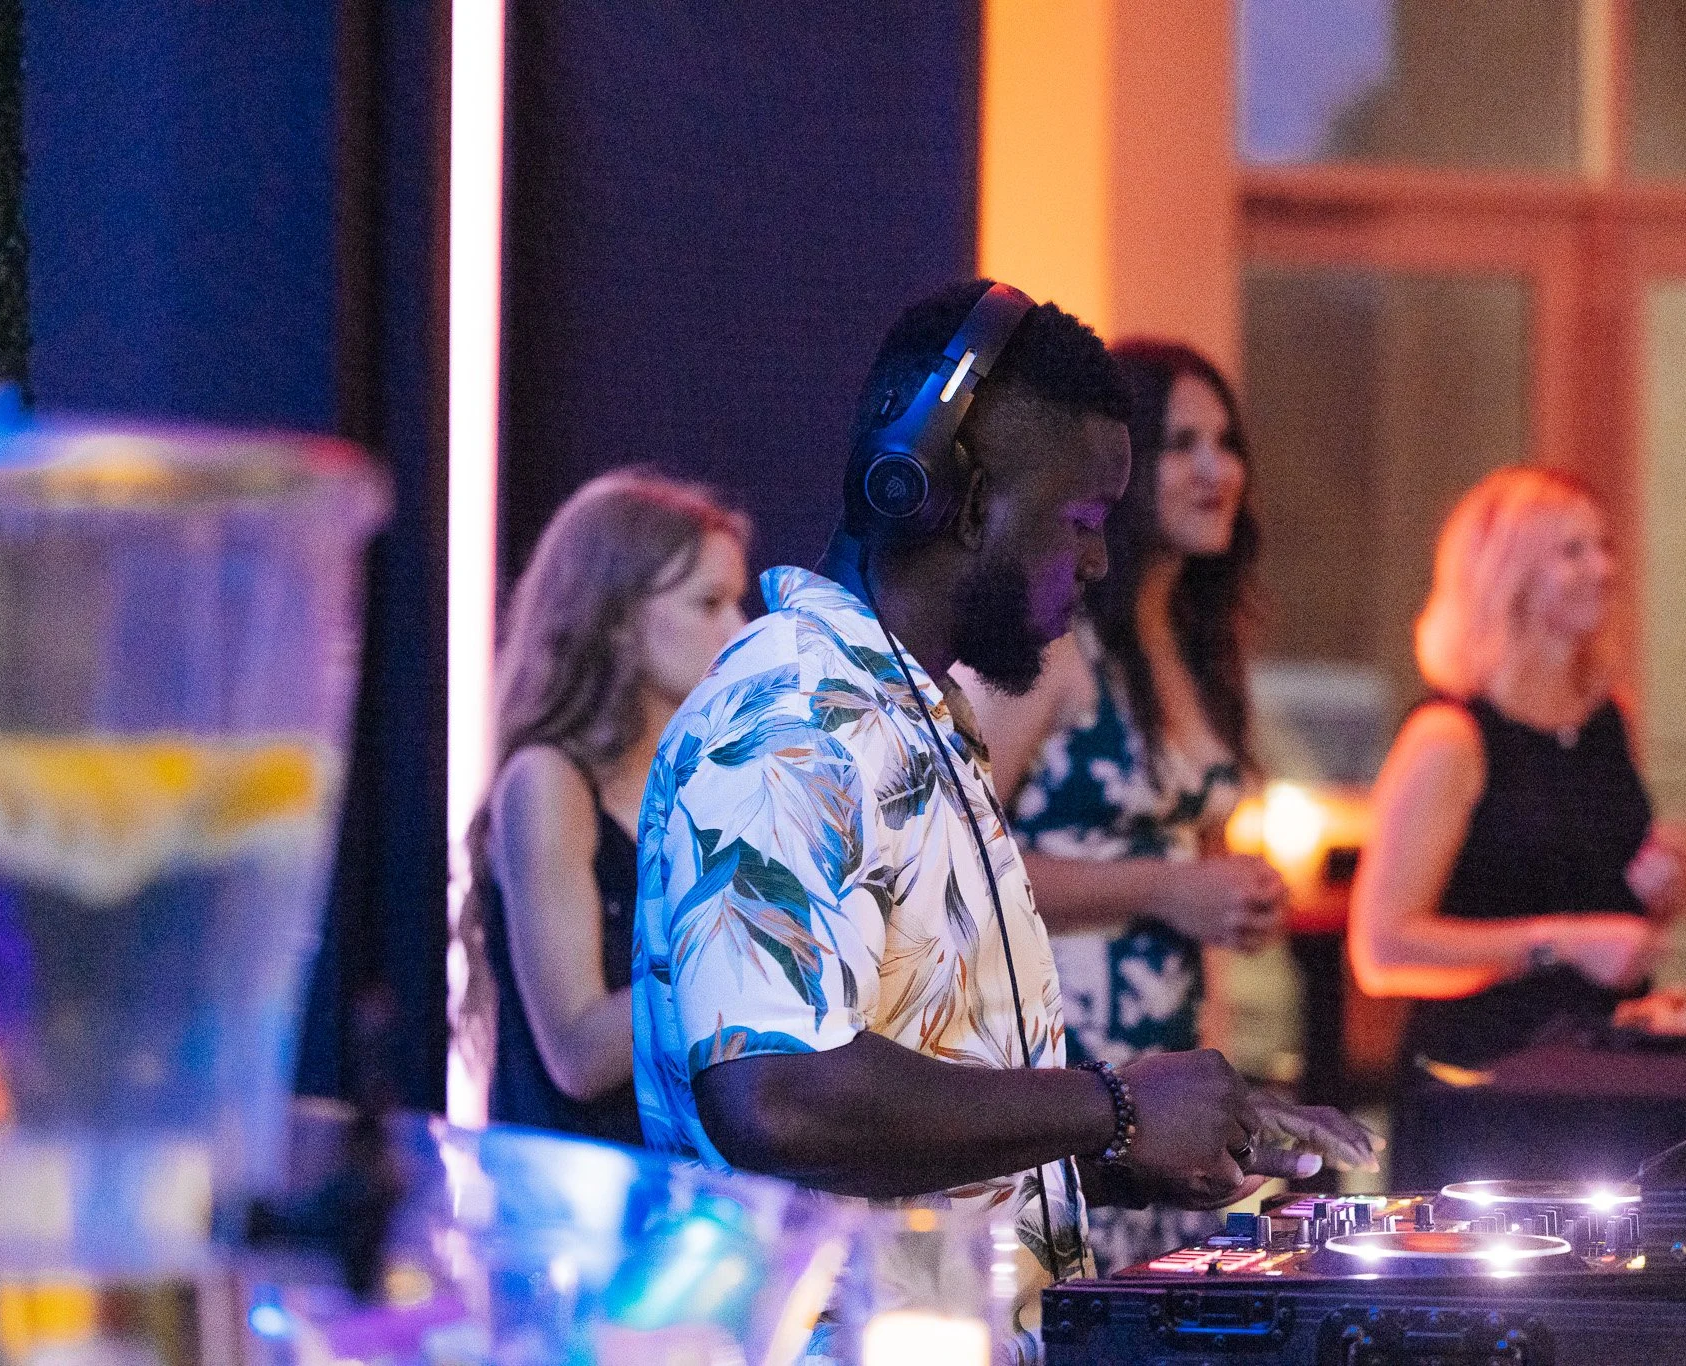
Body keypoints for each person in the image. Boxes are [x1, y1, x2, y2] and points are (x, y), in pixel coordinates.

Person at [633, 282, 1377, 1359]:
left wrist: (1145, 1139)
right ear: (957, 500)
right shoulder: (788, 717)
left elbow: (913, 1107)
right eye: (1079, 520)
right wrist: (1111, 1107)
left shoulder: (917, 723)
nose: (1095, 559)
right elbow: (779, 1098)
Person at [962, 340, 1344, 1272]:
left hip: (1177, 1064)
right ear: (1119, 468)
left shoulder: (1196, 645)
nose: (1217, 470)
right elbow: (962, 863)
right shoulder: (1053, 645)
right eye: (1181, 444)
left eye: (1226, 441)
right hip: (1062, 1068)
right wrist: (1169, 889)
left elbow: (1195, 868)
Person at [1350, 467, 1682, 1125]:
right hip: (1482, 1088)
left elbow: (1599, 909)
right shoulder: (1450, 737)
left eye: (1603, 547)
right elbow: (1382, 950)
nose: (1604, 568)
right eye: (1572, 551)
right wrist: (1565, 941)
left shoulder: (1607, 721)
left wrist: (1654, 893)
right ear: (1507, 576)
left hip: (1601, 1079)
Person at [455, 469, 750, 1143]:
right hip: (576, 1207)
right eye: (709, 604)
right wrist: (747, 952)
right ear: (615, 621)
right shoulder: (547, 782)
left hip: (698, 1206)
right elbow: (577, 1054)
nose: (740, 630)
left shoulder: (715, 780)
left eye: (738, 601)